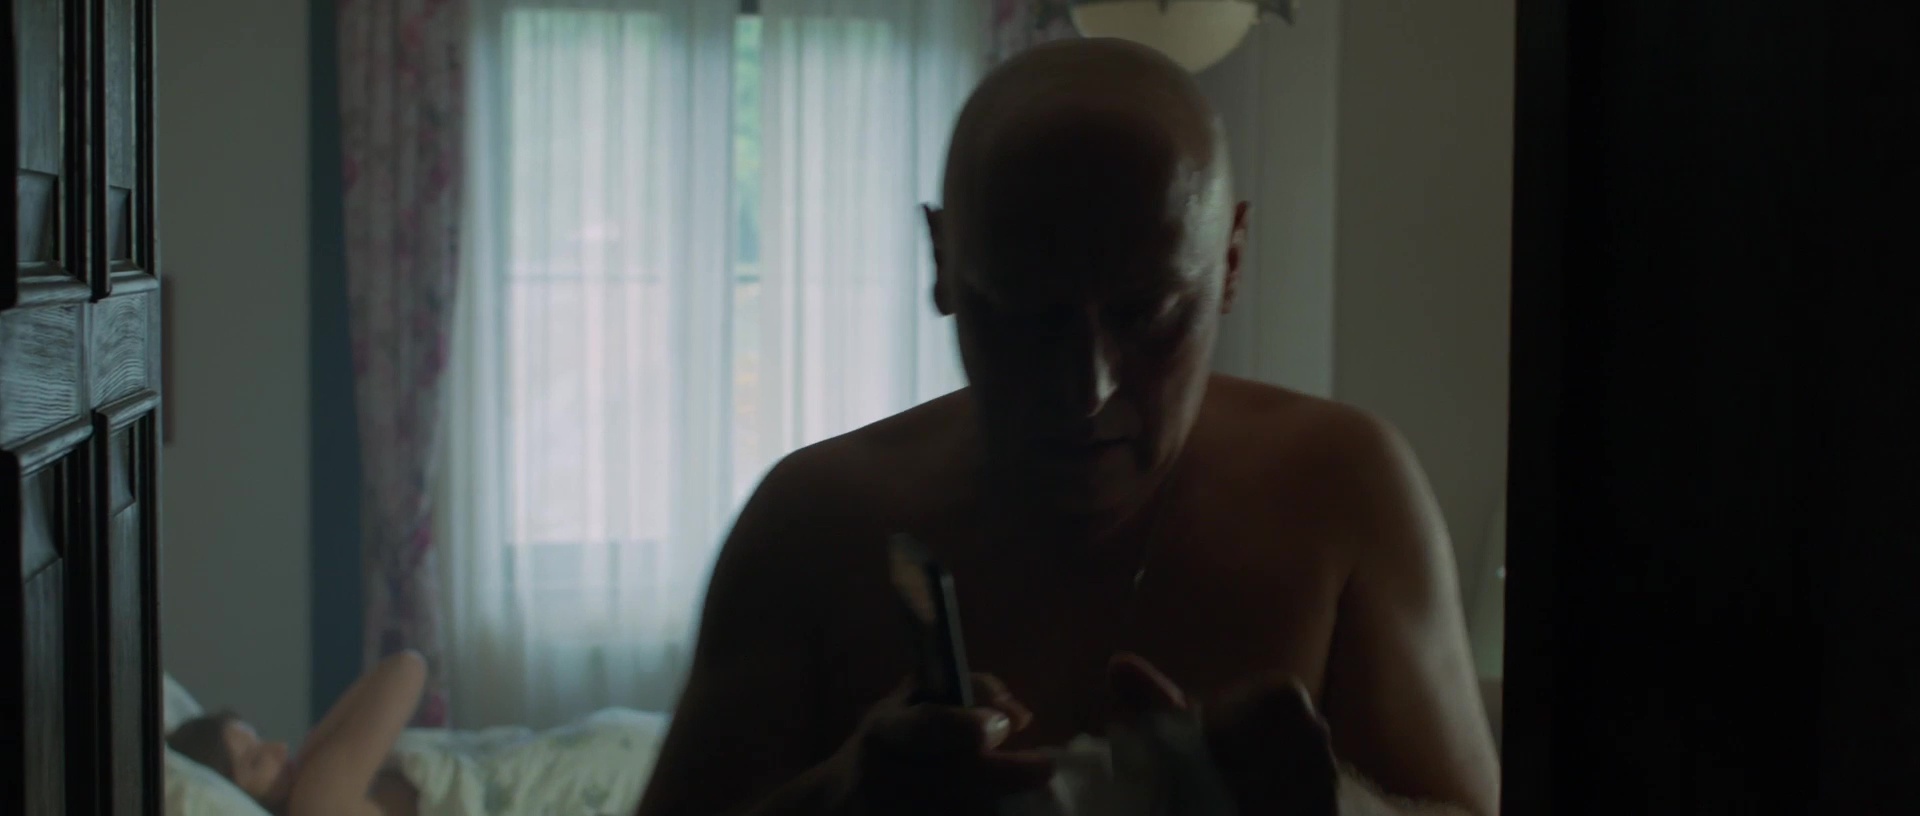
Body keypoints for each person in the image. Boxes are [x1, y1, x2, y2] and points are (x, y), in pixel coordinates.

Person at [636, 36, 1500, 816]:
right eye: (1024, 317)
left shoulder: (1343, 491)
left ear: (1231, 262)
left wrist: (1336, 807)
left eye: (1149, 314)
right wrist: (839, 800)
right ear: (941, 261)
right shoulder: (812, 524)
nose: (1085, 389)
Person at [167, 651, 430, 816]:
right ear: (232, 791)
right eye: (256, 761)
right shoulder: (315, 798)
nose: (280, 748)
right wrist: (315, 742)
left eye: (260, 740)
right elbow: (407, 666)